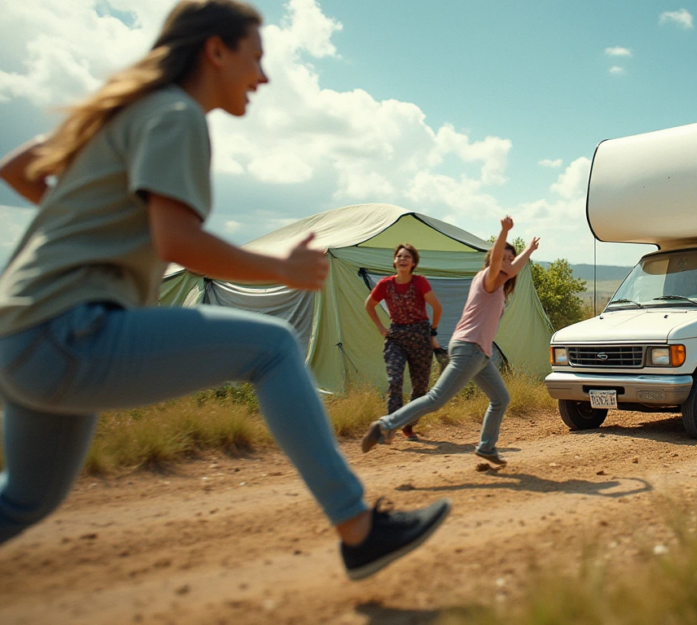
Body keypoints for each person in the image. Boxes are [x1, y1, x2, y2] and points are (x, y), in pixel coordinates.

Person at [0, 0, 448, 580]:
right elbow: (177, 240)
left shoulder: (126, 113)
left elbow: (18, 169)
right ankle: (358, 528)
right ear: (216, 50)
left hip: (20, 331)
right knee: (273, 347)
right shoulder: (175, 114)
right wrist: (281, 269)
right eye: (256, 58)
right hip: (67, 329)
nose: (263, 77)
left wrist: (101, 231)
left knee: (26, 501)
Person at [362, 217, 540, 466]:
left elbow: (510, 268)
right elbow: (501, 262)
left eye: (511, 260)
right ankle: (385, 424)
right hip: (469, 349)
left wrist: (529, 251)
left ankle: (486, 447)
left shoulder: (497, 287)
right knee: (436, 399)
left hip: (480, 354)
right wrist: (503, 232)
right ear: (493, 261)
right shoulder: (487, 279)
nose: (508, 264)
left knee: (501, 399)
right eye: (503, 259)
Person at [365, 243, 442, 440]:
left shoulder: (420, 282)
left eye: (407, 257)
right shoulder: (385, 284)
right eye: (399, 256)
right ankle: (389, 427)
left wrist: (432, 333)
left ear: (413, 263)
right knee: (395, 380)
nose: (402, 259)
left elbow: (437, 307)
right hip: (396, 337)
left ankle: (408, 426)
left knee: (420, 387)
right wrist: (381, 328)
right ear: (394, 261)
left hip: (420, 336)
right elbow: (369, 305)